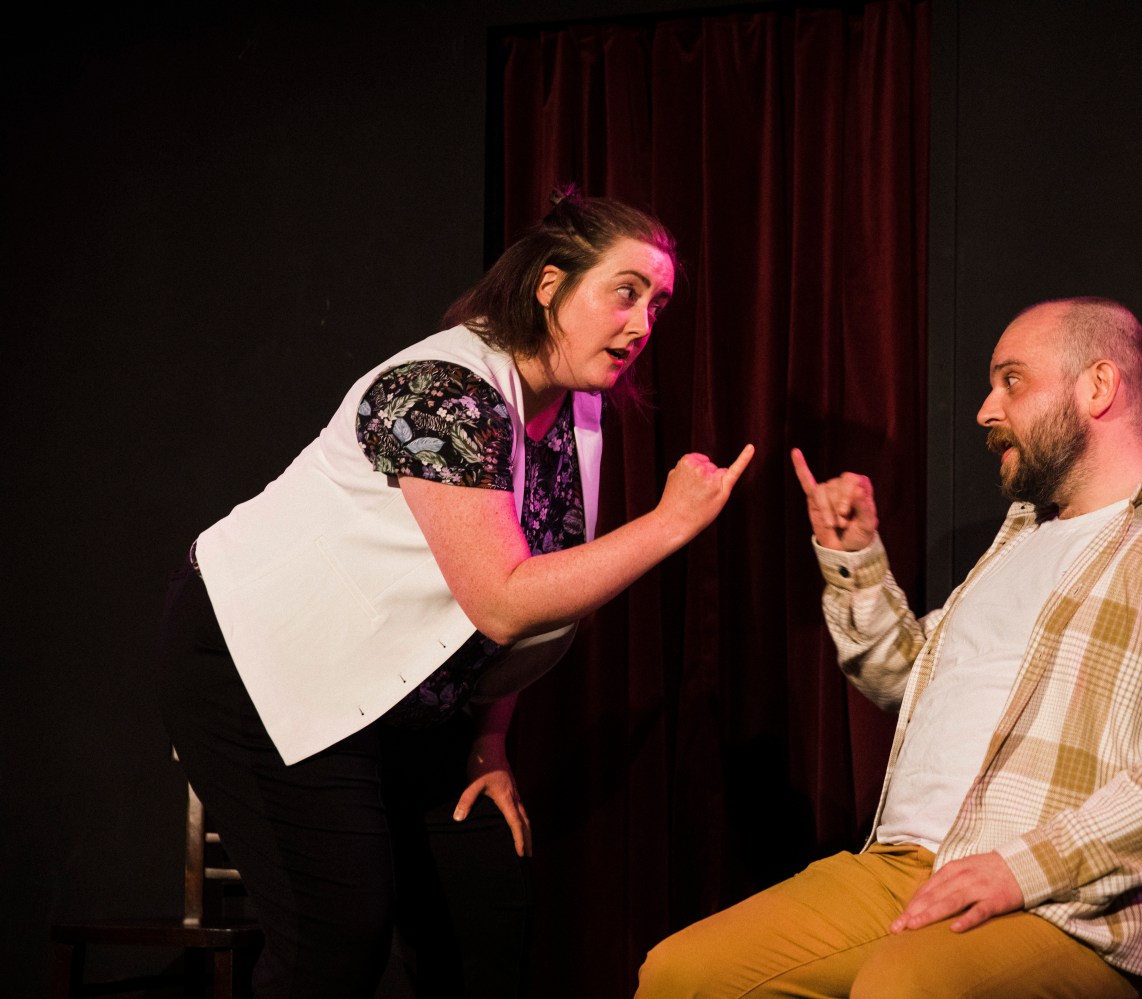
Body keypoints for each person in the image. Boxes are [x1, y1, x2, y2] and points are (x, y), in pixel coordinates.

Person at [158, 188, 755, 998]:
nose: (642, 323)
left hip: (404, 691)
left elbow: (523, 618)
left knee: (485, 914)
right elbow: (504, 598)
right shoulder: (441, 388)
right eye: (625, 291)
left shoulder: (576, 410)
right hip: (263, 664)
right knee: (336, 937)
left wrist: (490, 739)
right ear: (549, 286)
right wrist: (668, 525)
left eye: (658, 303)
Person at [636, 297, 1142, 998]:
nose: (983, 409)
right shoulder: (1013, 546)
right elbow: (906, 682)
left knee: (903, 987)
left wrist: (1019, 868)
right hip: (895, 869)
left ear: (1097, 386)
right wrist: (852, 558)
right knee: (681, 974)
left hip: (1060, 905)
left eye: (1011, 380)